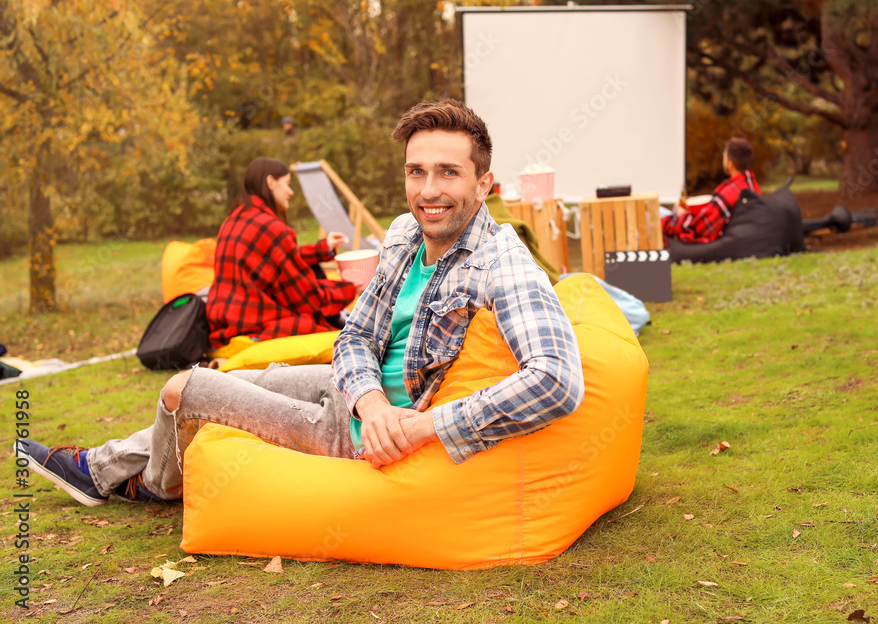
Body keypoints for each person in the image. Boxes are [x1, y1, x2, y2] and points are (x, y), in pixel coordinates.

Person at [17, 99, 584, 506]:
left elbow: (558, 380)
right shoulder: (404, 236)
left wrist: (418, 427)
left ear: (485, 184)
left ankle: (152, 487)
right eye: (416, 171)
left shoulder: (502, 263)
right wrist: (372, 402)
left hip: (362, 438)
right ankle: (99, 464)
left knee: (184, 387)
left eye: (448, 173)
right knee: (251, 381)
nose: (428, 190)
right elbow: (355, 336)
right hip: (357, 404)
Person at [206, 157, 357, 349]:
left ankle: (339, 315)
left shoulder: (232, 219)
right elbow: (306, 298)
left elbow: (280, 257)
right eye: (287, 184)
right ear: (270, 182)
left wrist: (323, 248)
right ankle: (342, 317)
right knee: (312, 320)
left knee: (312, 271)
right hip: (250, 321)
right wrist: (350, 289)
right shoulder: (271, 228)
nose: (291, 192)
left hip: (221, 318)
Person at [662, 137, 761, 244]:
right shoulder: (751, 185)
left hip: (699, 231)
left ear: (730, 164)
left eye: (724, 157)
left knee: (655, 215)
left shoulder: (731, 192)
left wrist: (683, 215)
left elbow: (701, 228)